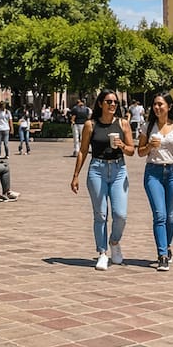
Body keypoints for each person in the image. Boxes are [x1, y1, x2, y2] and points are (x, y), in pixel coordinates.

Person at [71, 90, 134, 271]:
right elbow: (83, 150)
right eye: (108, 101)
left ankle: (114, 241)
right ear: (100, 103)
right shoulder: (91, 125)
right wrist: (76, 175)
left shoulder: (123, 124)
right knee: (100, 214)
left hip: (118, 170)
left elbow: (132, 150)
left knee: (120, 214)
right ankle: (102, 252)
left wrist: (122, 146)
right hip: (97, 169)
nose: (112, 105)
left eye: (115, 102)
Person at [138, 93, 173, 271]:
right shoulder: (148, 126)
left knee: (170, 216)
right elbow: (140, 152)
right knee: (159, 215)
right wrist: (149, 147)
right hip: (153, 172)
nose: (157, 107)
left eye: (160, 104)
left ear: (169, 106)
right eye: (155, 104)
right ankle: (162, 254)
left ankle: (167, 246)